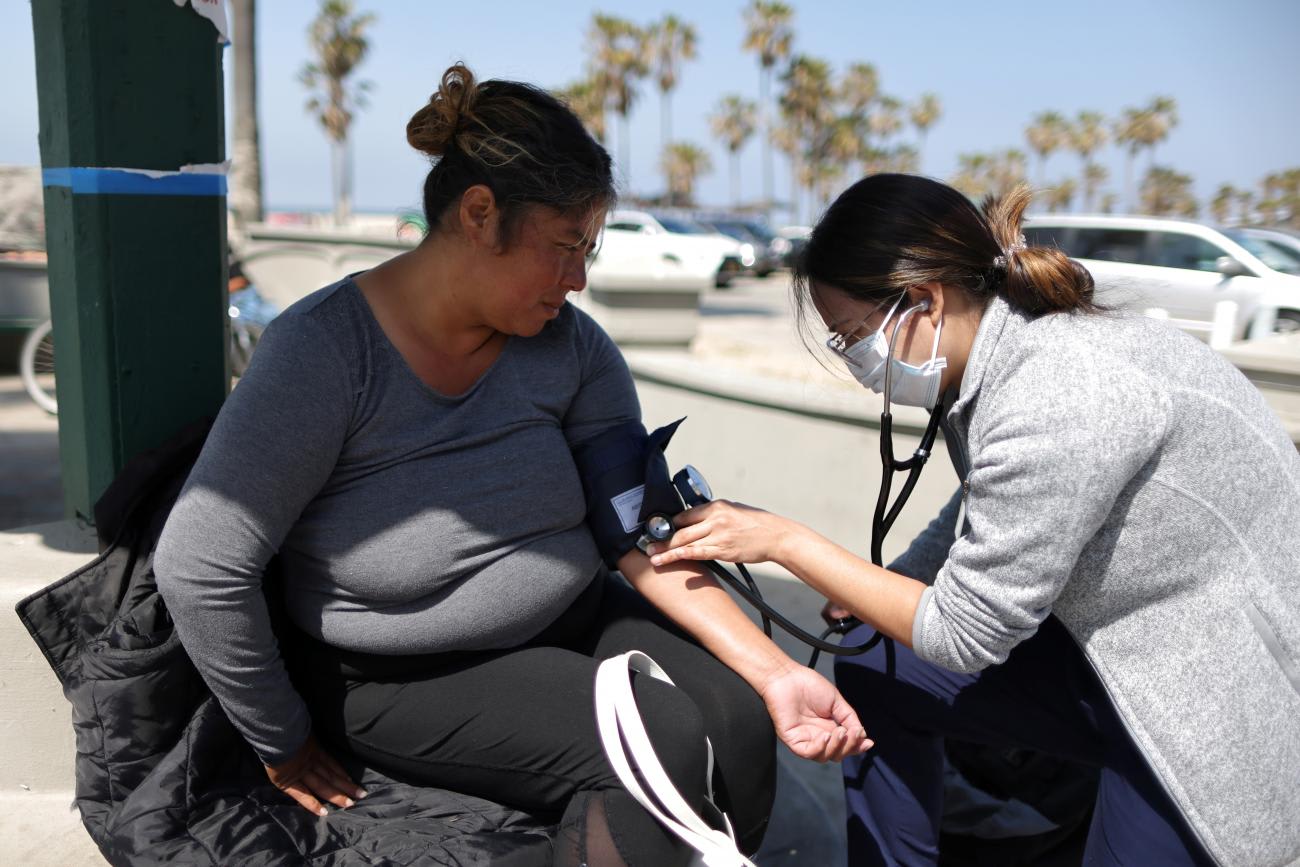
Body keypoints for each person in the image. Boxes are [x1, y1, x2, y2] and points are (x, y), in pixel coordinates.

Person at [155, 63, 870, 867]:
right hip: (398, 676)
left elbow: (637, 536)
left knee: (738, 722)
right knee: (659, 746)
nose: (581, 277)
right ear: (480, 213)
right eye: (566, 246)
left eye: (589, 249)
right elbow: (201, 564)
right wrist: (280, 738)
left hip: (569, 619)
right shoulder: (323, 355)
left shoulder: (571, 348)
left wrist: (777, 674)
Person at [645, 174, 1300, 867]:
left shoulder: (1063, 391)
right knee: (878, 659)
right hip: (1114, 647)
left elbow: (964, 635)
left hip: (1210, 698)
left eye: (853, 337)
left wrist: (784, 540)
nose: (854, 363)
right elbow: (985, 505)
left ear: (924, 299)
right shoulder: (1011, 355)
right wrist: (892, 580)